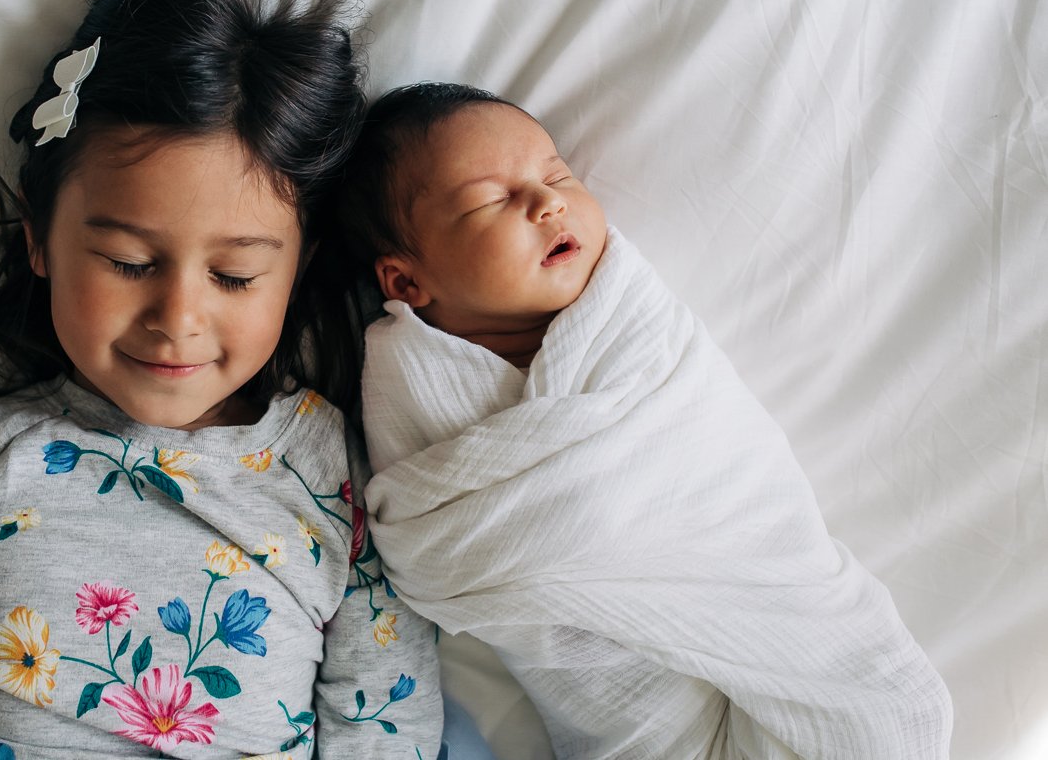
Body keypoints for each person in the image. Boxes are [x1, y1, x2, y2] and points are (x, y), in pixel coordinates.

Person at [0, 0, 443, 760]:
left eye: (234, 276)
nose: (177, 316)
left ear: (298, 270)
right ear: (39, 239)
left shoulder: (345, 489)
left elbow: (387, 733)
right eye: (129, 262)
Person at [333, 83, 953, 759]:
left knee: (889, 715)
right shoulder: (405, 381)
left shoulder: (632, 322)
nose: (547, 202)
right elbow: (433, 539)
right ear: (405, 283)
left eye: (556, 174)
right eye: (492, 199)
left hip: (763, 603)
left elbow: (719, 469)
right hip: (627, 708)